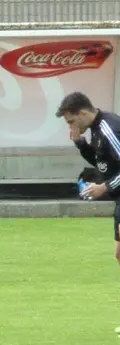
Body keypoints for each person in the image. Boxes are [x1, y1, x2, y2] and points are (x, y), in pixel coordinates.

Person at [56, 91, 120, 332]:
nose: (71, 126)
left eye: (72, 121)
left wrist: (105, 186)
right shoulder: (96, 129)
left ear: (83, 113)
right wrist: (79, 142)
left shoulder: (109, 129)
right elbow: (102, 163)